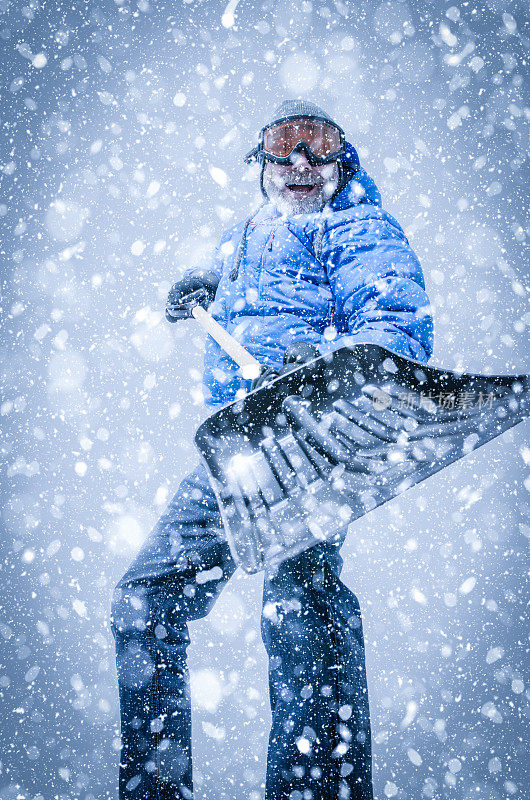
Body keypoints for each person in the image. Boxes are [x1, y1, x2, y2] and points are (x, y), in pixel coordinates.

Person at [110, 100, 434, 800]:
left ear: (343, 162)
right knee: (145, 599)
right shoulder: (249, 233)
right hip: (237, 445)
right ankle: (154, 789)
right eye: (283, 146)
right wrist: (206, 279)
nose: (299, 164)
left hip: (312, 436)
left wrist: (319, 363)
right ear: (259, 163)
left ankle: (318, 788)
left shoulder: (359, 228)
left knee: (300, 601)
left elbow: (397, 329)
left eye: (317, 147)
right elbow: (240, 273)